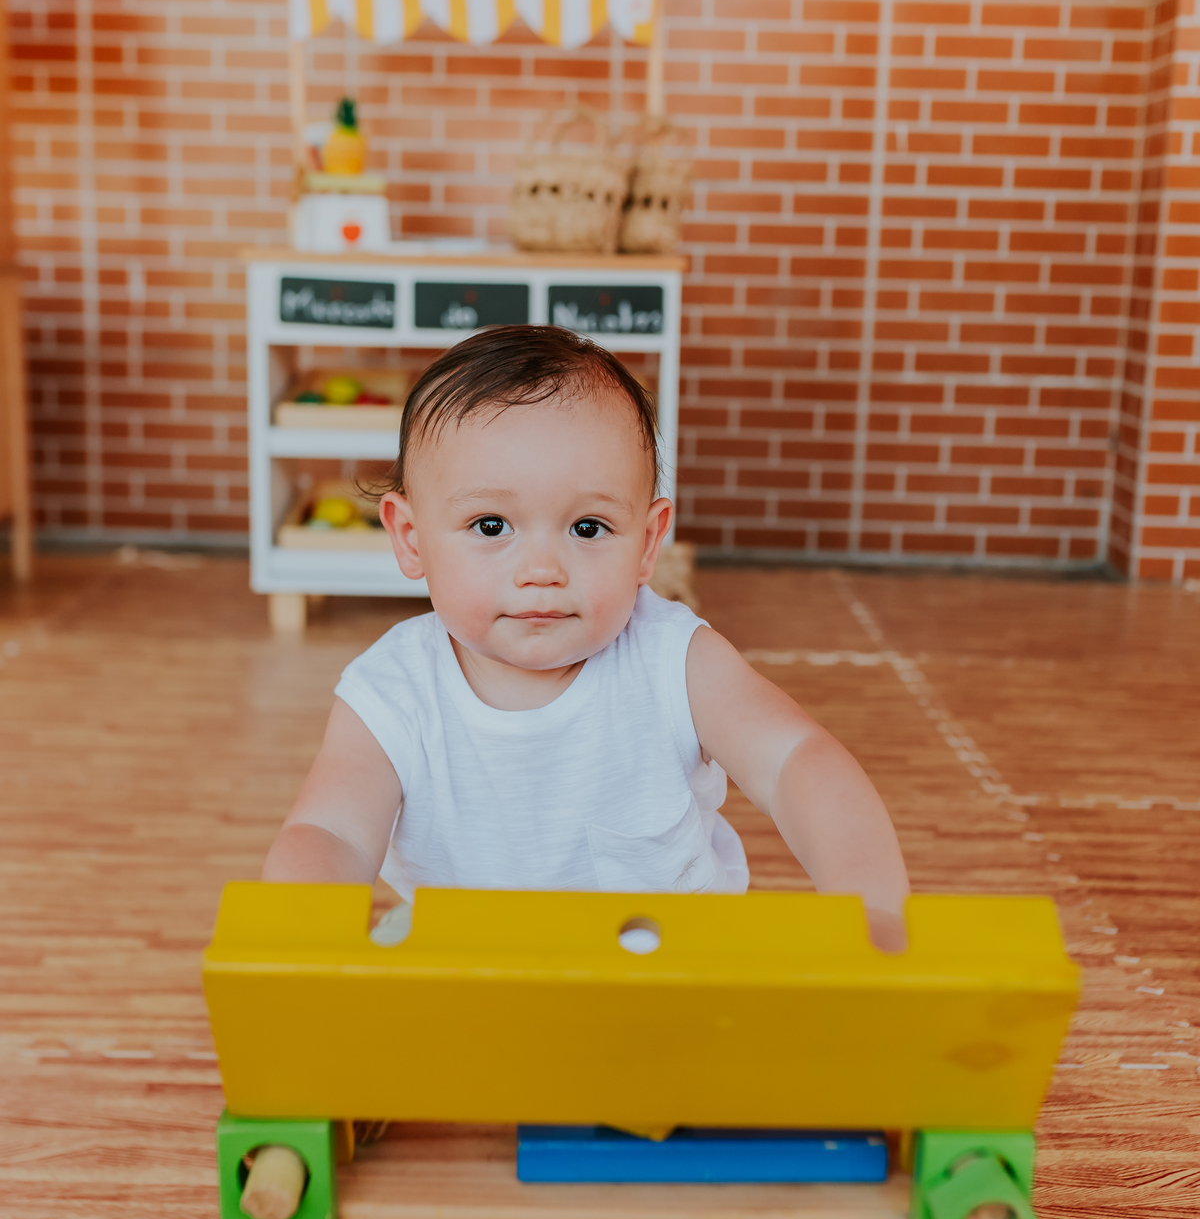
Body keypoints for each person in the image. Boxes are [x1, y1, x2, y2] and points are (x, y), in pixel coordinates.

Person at [263, 325, 909, 950]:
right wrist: (300, 929)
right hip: (475, 983)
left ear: (648, 543)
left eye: (588, 528)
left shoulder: (674, 661)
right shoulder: (392, 694)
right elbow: (332, 830)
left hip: (662, 987)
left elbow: (795, 760)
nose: (542, 571)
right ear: (410, 538)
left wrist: (871, 907)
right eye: (491, 526)